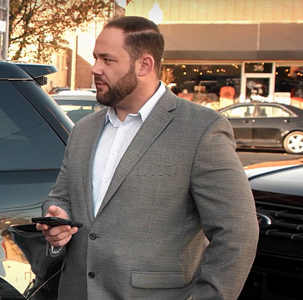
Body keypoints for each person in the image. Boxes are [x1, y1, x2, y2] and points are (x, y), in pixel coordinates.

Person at [37, 16, 257, 299]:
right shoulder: (84, 130)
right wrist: (58, 217)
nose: (95, 68)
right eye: (95, 58)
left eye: (107, 60)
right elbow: (59, 196)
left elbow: (237, 232)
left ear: (145, 65)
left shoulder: (200, 129)